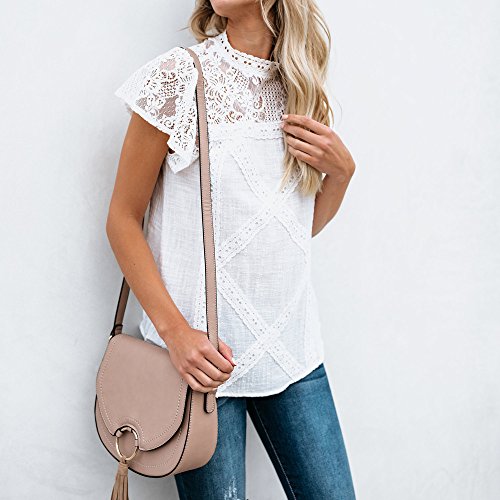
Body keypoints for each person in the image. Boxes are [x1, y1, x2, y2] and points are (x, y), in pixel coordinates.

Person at [107, 0, 357, 498]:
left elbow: (292, 232)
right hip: (204, 364)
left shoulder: (300, 86)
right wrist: (176, 335)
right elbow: (122, 219)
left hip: (293, 352)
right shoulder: (179, 77)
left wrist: (342, 175)